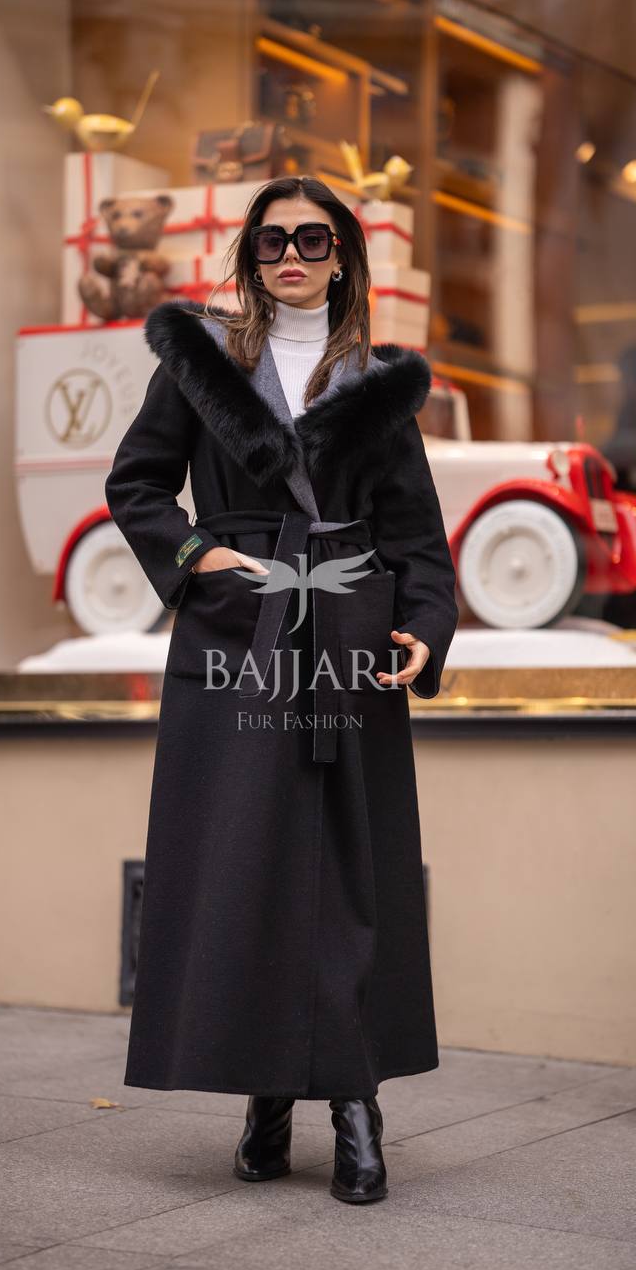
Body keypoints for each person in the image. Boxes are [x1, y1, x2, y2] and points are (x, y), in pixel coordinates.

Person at [104, 175, 460, 1204]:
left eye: (311, 239)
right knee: (246, 868)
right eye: (270, 241)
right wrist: (200, 560)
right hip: (237, 631)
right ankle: (264, 1095)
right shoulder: (203, 361)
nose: (291, 256)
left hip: (347, 638)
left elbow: (416, 536)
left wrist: (424, 628)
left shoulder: (376, 384)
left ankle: (353, 1102)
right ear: (249, 257)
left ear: (343, 255)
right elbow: (136, 483)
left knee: (345, 875)